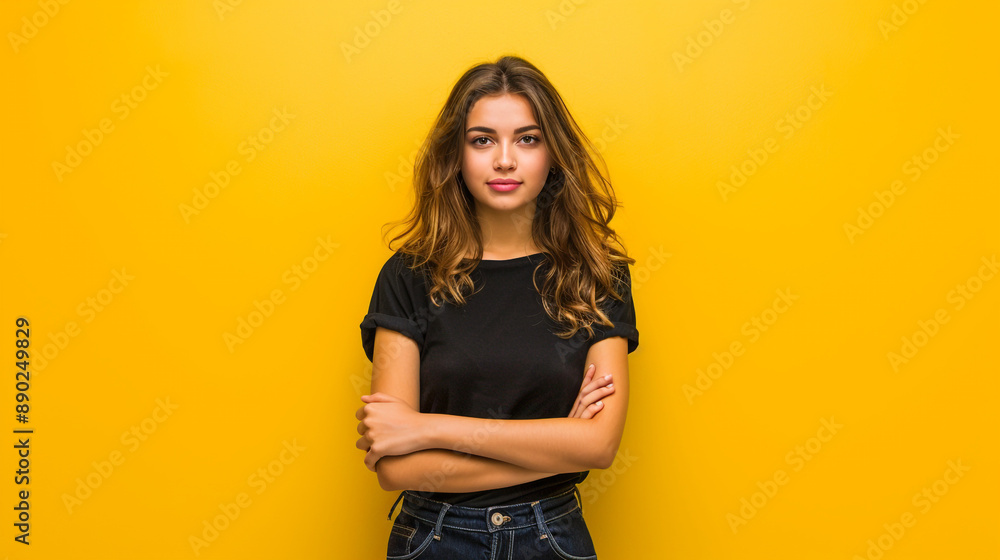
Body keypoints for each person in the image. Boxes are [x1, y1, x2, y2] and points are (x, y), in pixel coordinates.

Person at [356, 54, 639, 560]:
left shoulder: (596, 274)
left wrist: (426, 428)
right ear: (456, 154)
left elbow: (599, 446)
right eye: (482, 139)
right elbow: (395, 469)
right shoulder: (409, 276)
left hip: (553, 538)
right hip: (432, 539)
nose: (504, 160)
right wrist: (557, 451)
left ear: (553, 153)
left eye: (527, 139)